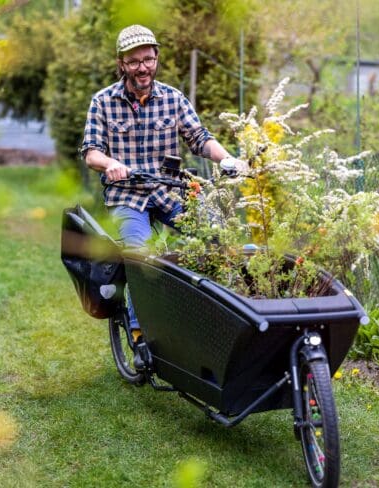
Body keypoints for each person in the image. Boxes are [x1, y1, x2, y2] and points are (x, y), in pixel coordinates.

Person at [81, 24, 242, 343]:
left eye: (148, 59)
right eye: (134, 61)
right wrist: (110, 163)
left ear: (156, 58)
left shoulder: (173, 99)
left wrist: (226, 159)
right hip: (127, 196)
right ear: (122, 64)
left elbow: (199, 138)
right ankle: (141, 334)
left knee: (217, 236)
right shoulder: (103, 102)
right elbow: (91, 152)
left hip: (170, 192)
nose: (143, 67)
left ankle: (216, 314)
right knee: (139, 257)